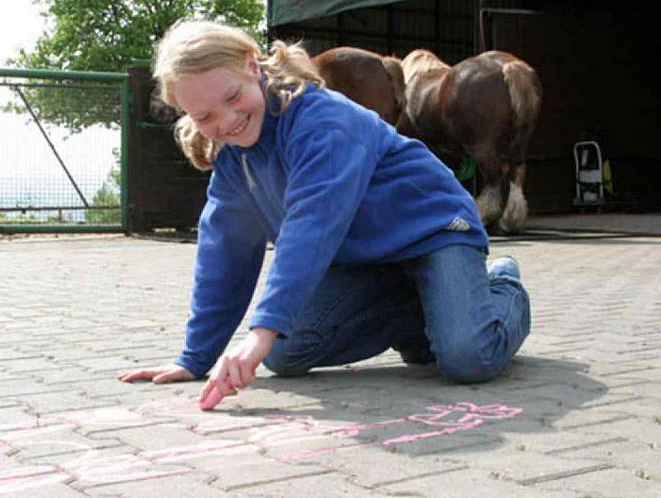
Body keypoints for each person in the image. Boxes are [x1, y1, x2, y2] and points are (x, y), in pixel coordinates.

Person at [118, 19, 531, 405]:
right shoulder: (233, 155)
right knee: (284, 352)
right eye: (205, 116)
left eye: (232, 97)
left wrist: (258, 333)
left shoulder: (322, 121)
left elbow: (310, 228)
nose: (227, 121)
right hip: (365, 260)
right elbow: (224, 247)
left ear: (251, 66)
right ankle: (426, 309)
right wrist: (195, 357)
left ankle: (502, 284)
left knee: (468, 357)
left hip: (435, 233)